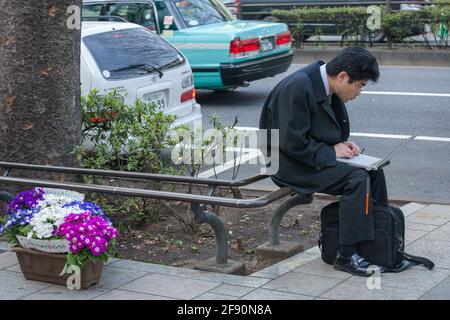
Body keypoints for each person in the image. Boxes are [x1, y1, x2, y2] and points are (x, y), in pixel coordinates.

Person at [259, 46, 387, 277]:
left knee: (373, 171)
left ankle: (379, 240)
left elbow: (321, 131)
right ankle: (346, 255)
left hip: (305, 157)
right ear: (342, 76)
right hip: (283, 161)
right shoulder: (297, 87)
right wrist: (331, 152)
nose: (359, 93)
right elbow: (292, 141)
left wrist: (343, 147)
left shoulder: (325, 85)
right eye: (359, 85)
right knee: (356, 179)